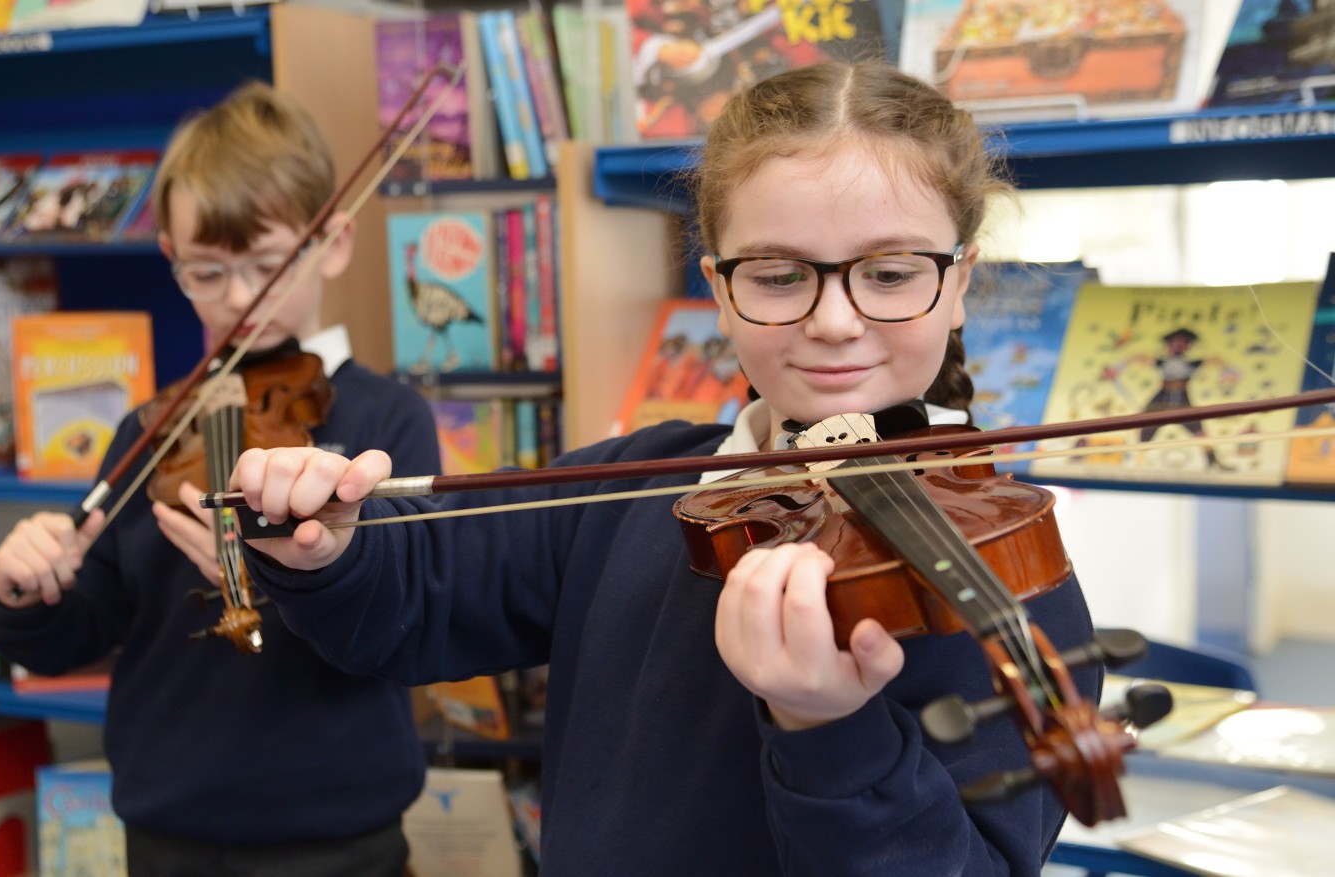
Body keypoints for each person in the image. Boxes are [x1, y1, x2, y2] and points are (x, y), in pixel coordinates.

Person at [231, 61, 1102, 876]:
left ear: (958, 284)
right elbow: (418, 594)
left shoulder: (1007, 574)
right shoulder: (637, 483)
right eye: (776, 276)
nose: (836, 320)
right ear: (719, 289)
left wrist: (828, 726)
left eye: (888, 273)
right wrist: (328, 551)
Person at [0, 81, 440, 877]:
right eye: (206, 272)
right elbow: (82, 628)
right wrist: (29, 589)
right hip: (171, 828)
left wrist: (285, 571)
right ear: (170, 257)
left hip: (338, 830)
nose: (239, 302)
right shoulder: (153, 427)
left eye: (266, 266)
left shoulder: (384, 422)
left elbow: (405, 621)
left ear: (332, 242)